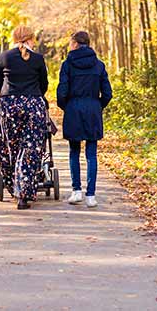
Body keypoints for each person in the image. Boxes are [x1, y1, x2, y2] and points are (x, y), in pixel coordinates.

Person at [0, 25, 49, 210]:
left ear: (14, 38)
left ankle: (13, 185)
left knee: (11, 148)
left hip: (9, 105)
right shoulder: (38, 59)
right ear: (30, 39)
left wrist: (11, 96)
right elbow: (44, 85)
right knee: (30, 149)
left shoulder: (4, 57)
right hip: (33, 105)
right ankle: (24, 193)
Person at [56, 31, 112, 208]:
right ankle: (91, 195)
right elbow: (108, 93)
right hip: (93, 110)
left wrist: (67, 106)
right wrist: (97, 105)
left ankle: (76, 191)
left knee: (74, 151)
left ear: (74, 44)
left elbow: (62, 92)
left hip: (73, 109)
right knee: (91, 153)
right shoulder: (99, 65)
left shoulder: (67, 65)